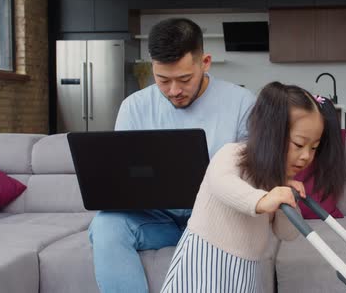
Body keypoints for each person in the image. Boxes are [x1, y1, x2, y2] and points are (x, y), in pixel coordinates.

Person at [88, 18, 256, 293]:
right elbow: (121, 176)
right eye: (163, 80)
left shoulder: (242, 102)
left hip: (216, 220)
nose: (174, 91)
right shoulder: (134, 107)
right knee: (106, 224)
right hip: (157, 220)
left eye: (184, 79)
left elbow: (252, 173)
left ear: (205, 63)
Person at [160, 82, 346, 293]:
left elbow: (287, 233)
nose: (306, 156)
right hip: (205, 257)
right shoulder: (233, 154)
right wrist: (263, 200)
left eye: (313, 148)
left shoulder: (275, 181)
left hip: (245, 266)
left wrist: (287, 199)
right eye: (299, 144)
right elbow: (223, 183)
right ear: (271, 134)